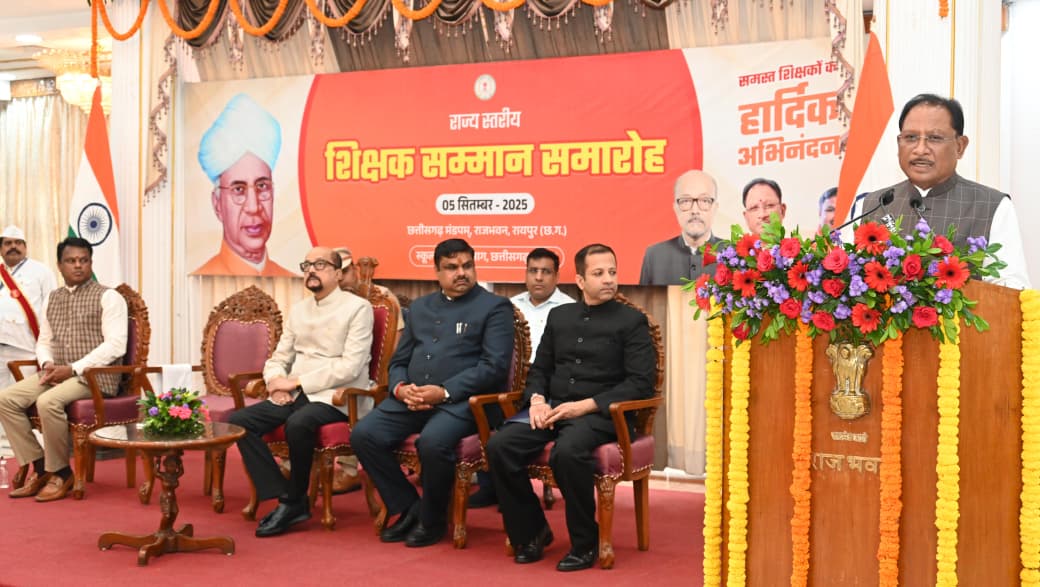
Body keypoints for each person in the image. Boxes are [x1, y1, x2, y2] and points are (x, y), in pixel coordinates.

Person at [486, 243, 656, 572]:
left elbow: (640, 384)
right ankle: (532, 531)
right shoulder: (560, 316)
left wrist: (584, 407)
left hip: (603, 415)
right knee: (500, 446)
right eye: (598, 273)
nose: (608, 279)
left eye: (612, 272)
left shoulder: (632, 321)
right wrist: (537, 401)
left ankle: (584, 542)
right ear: (580, 280)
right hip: (554, 410)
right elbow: (540, 369)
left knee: (567, 452)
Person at [351, 238, 514, 548]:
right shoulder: (421, 307)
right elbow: (398, 361)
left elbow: (493, 367)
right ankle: (409, 507)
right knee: (363, 434)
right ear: (437, 272)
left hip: (465, 402)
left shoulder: (494, 307)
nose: (461, 273)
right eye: (452, 267)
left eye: (467, 265)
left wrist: (444, 392)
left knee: (432, 442)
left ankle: (433, 519)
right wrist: (401, 389)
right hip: (413, 398)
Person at [227, 246, 373, 537]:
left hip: (337, 395)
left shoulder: (358, 308)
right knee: (239, 421)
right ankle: (287, 496)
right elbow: (279, 357)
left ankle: (292, 501)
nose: (311, 270)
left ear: (338, 273)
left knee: (299, 423)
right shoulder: (299, 310)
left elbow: (350, 366)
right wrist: (275, 382)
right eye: (307, 265)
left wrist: (295, 383)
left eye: (320, 265)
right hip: (295, 393)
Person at [0, 237, 127, 502]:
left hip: (94, 377)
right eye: (71, 261)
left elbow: (116, 345)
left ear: (91, 263)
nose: (78, 265)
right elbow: (44, 341)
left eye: (83, 260)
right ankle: (39, 468)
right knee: (6, 399)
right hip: (55, 372)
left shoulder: (109, 297)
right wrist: (46, 363)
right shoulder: (53, 298)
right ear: (59, 265)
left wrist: (73, 369)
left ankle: (61, 472)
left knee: (48, 402)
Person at [860, 93, 1030, 289]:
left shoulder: (992, 206)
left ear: (960, 146)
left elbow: (1011, 289)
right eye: (910, 137)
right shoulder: (874, 204)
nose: (920, 149)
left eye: (934, 138)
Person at [469, 248, 576, 509]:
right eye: (533, 271)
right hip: (507, 381)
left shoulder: (570, 309)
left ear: (556, 276)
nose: (538, 277)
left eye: (545, 272)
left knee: (520, 429)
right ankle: (491, 486)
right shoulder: (507, 306)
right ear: (525, 274)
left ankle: (514, 492)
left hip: (545, 386)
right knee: (479, 405)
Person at [324, 246, 405, 495]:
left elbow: (397, 345)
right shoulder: (326, 301)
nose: (341, 279)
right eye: (336, 273)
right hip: (332, 371)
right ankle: (293, 463)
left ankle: (349, 470)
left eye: (345, 272)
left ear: (355, 271)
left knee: (352, 391)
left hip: (371, 377)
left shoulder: (382, 299)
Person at [192, 93, 294, 277]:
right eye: (238, 190)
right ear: (217, 205)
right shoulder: (201, 278)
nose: (254, 208)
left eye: (262, 187)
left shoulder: (294, 281)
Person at [0, 226, 57, 392]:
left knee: (23, 399)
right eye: (8, 243)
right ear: (1, 249)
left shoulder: (42, 271)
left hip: (27, 348)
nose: (13, 246)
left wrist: (50, 351)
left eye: (18, 243)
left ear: (25, 247)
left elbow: (54, 310)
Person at [640, 170, 721, 285]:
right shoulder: (655, 255)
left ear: (715, 208)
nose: (695, 210)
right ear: (675, 208)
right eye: (686, 201)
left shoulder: (734, 256)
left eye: (704, 201)